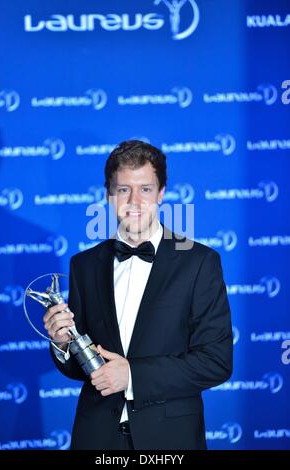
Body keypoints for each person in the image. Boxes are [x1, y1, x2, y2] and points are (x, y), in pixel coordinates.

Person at [43, 140, 233, 450]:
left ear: (161, 194)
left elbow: (216, 361)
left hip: (171, 439)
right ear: (109, 194)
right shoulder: (85, 264)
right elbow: (80, 367)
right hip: (96, 438)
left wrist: (132, 375)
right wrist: (63, 343)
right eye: (123, 190)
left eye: (145, 189)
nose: (134, 201)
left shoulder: (200, 263)